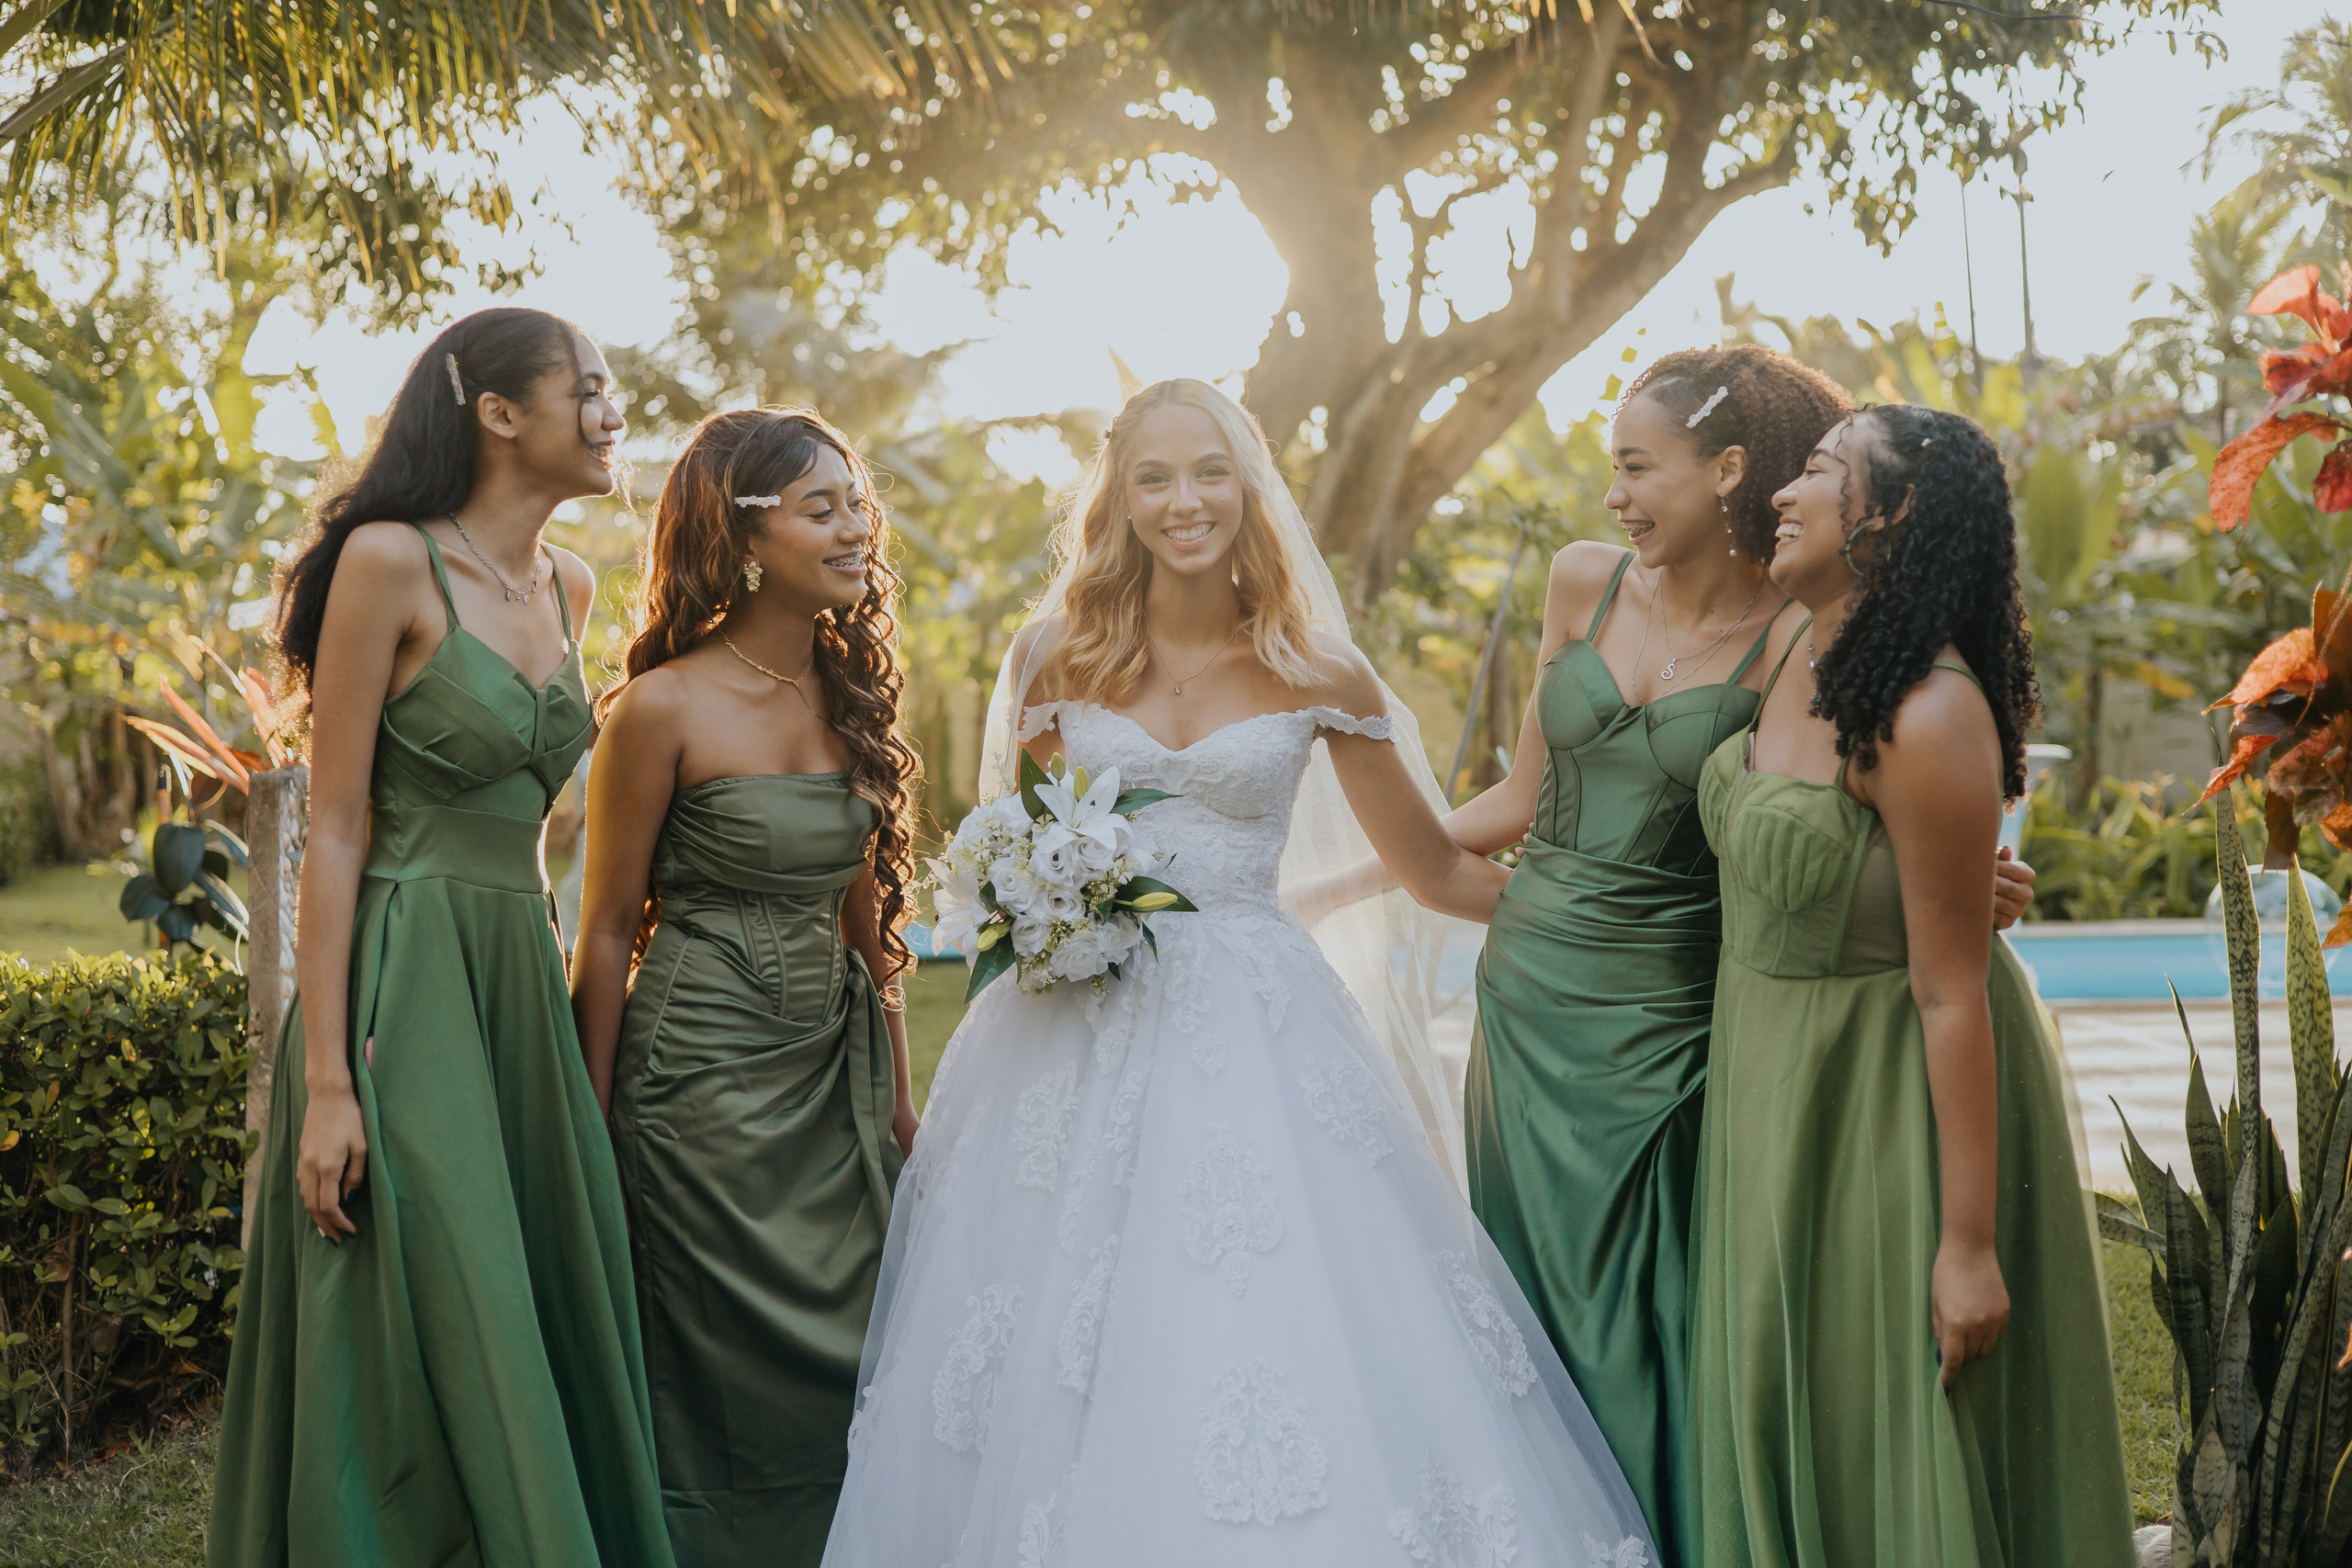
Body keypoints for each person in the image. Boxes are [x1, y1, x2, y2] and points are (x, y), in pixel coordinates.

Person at [820, 378, 1656, 1566]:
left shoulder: (1320, 669)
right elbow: (1031, 838)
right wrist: (1045, 903)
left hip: (1260, 1030)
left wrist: (1622, 921)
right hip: (1070, 1031)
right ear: (1118, 498)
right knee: (1049, 1342)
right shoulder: (1054, 655)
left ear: (1247, 484)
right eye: (1153, 477)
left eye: (1208, 470)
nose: (1184, 501)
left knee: (1266, 1309)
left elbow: (1432, 866)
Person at [1294, 344, 2035, 1564]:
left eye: (1640, 465)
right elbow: (1523, 796)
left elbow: (1836, 807)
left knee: (1661, 1328)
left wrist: (1953, 884)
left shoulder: (1800, 622)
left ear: (1727, 468)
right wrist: (1343, 876)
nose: (1614, 496)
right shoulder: (1581, 583)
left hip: (1676, 1020)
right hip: (1526, 1007)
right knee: (1526, 1334)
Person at [209, 308, 674, 1567]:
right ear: (500, 411)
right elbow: (340, 828)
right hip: (403, 974)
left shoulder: (574, 582)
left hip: (514, 972)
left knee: (523, 1294)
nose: (610, 408)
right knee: (433, 1289)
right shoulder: (386, 562)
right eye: (587, 385)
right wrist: (322, 1084)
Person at [1690, 405, 2132, 1566]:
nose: (1783, 492)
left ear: (1886, 517)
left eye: (1821, 473)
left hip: (1876, 1097)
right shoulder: (1796, 643)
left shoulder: (1928, 713)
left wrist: (1968, 1245)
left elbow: (1951, 991)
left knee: (1874, 1415)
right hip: (1764, 1072)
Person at [570, 408, 922, 1568]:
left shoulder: (852, 692)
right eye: (822, 510)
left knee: (861, 1340)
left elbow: (868, 931)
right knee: (714, 1363)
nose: (854, 529)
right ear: (743, 531)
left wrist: (900, 1102)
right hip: (696, 1084)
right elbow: (610, 927)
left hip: (830, 1078)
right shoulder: (660, 707)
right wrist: (592, 1124)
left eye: (855, 506)